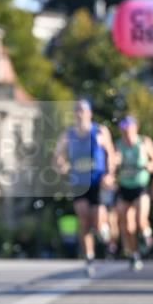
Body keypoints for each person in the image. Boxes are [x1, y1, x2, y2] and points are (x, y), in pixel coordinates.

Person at [53, 99, 116, 277]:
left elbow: (110, 153)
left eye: (82, 110)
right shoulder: (68, 135)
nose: (79, 114)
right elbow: (58, 156)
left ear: (89, 113)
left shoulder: (100, 131)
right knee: (83, 219)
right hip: (78, 182)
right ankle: (89, 257)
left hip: (97, 180)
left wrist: (110, 174)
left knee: (96, 220)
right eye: (77, 110)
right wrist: (60, 165)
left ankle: (104, 229)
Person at [115, 116, 153, 271]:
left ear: (135, 127)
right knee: (126, 225)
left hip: (140, 186)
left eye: (129, 127)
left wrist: (150, 165)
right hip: (124, 187)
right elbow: (114, 161)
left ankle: (147, 235)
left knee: (140, 219)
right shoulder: (119, 145)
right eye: (123, 127)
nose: (126, 130)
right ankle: (134, 254)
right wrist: (114, 162)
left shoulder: (144, 142)